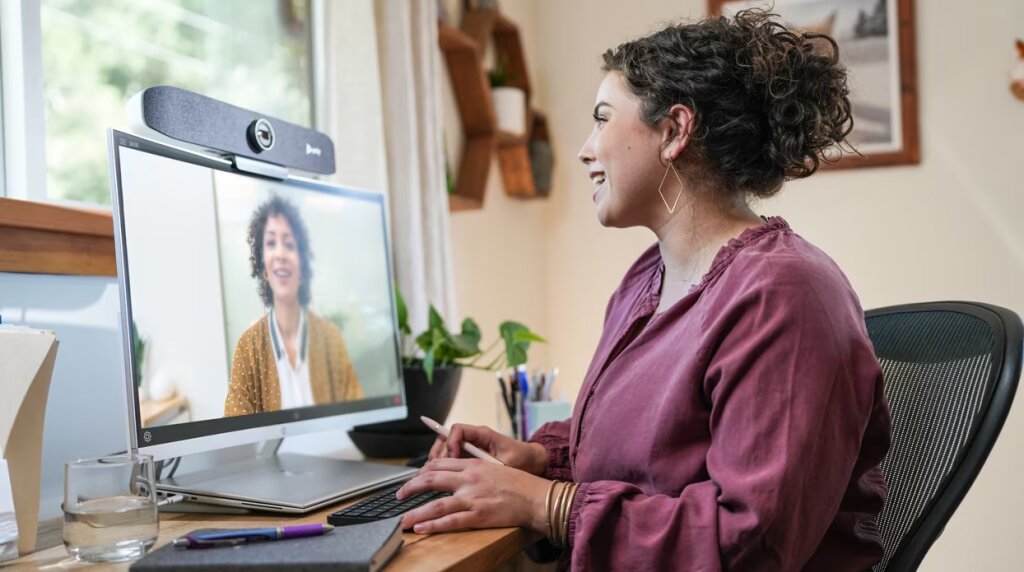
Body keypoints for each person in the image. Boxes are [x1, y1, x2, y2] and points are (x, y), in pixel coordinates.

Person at [395, 9, 891, 571]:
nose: (586, 149)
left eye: (603, 119)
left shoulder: (785, 296)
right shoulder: (647, 278)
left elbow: (750, 543)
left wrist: (548, 504)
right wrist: (536, 458)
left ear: (676, 130)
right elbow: (645, 458)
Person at [224, 196, 364, 416]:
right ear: (263, 268)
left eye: (289, 244)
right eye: (271, 243)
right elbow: (235, 434)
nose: (280, 254)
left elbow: (359, 418)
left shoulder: (331, 338)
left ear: (303, 266)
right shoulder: (248, 347)